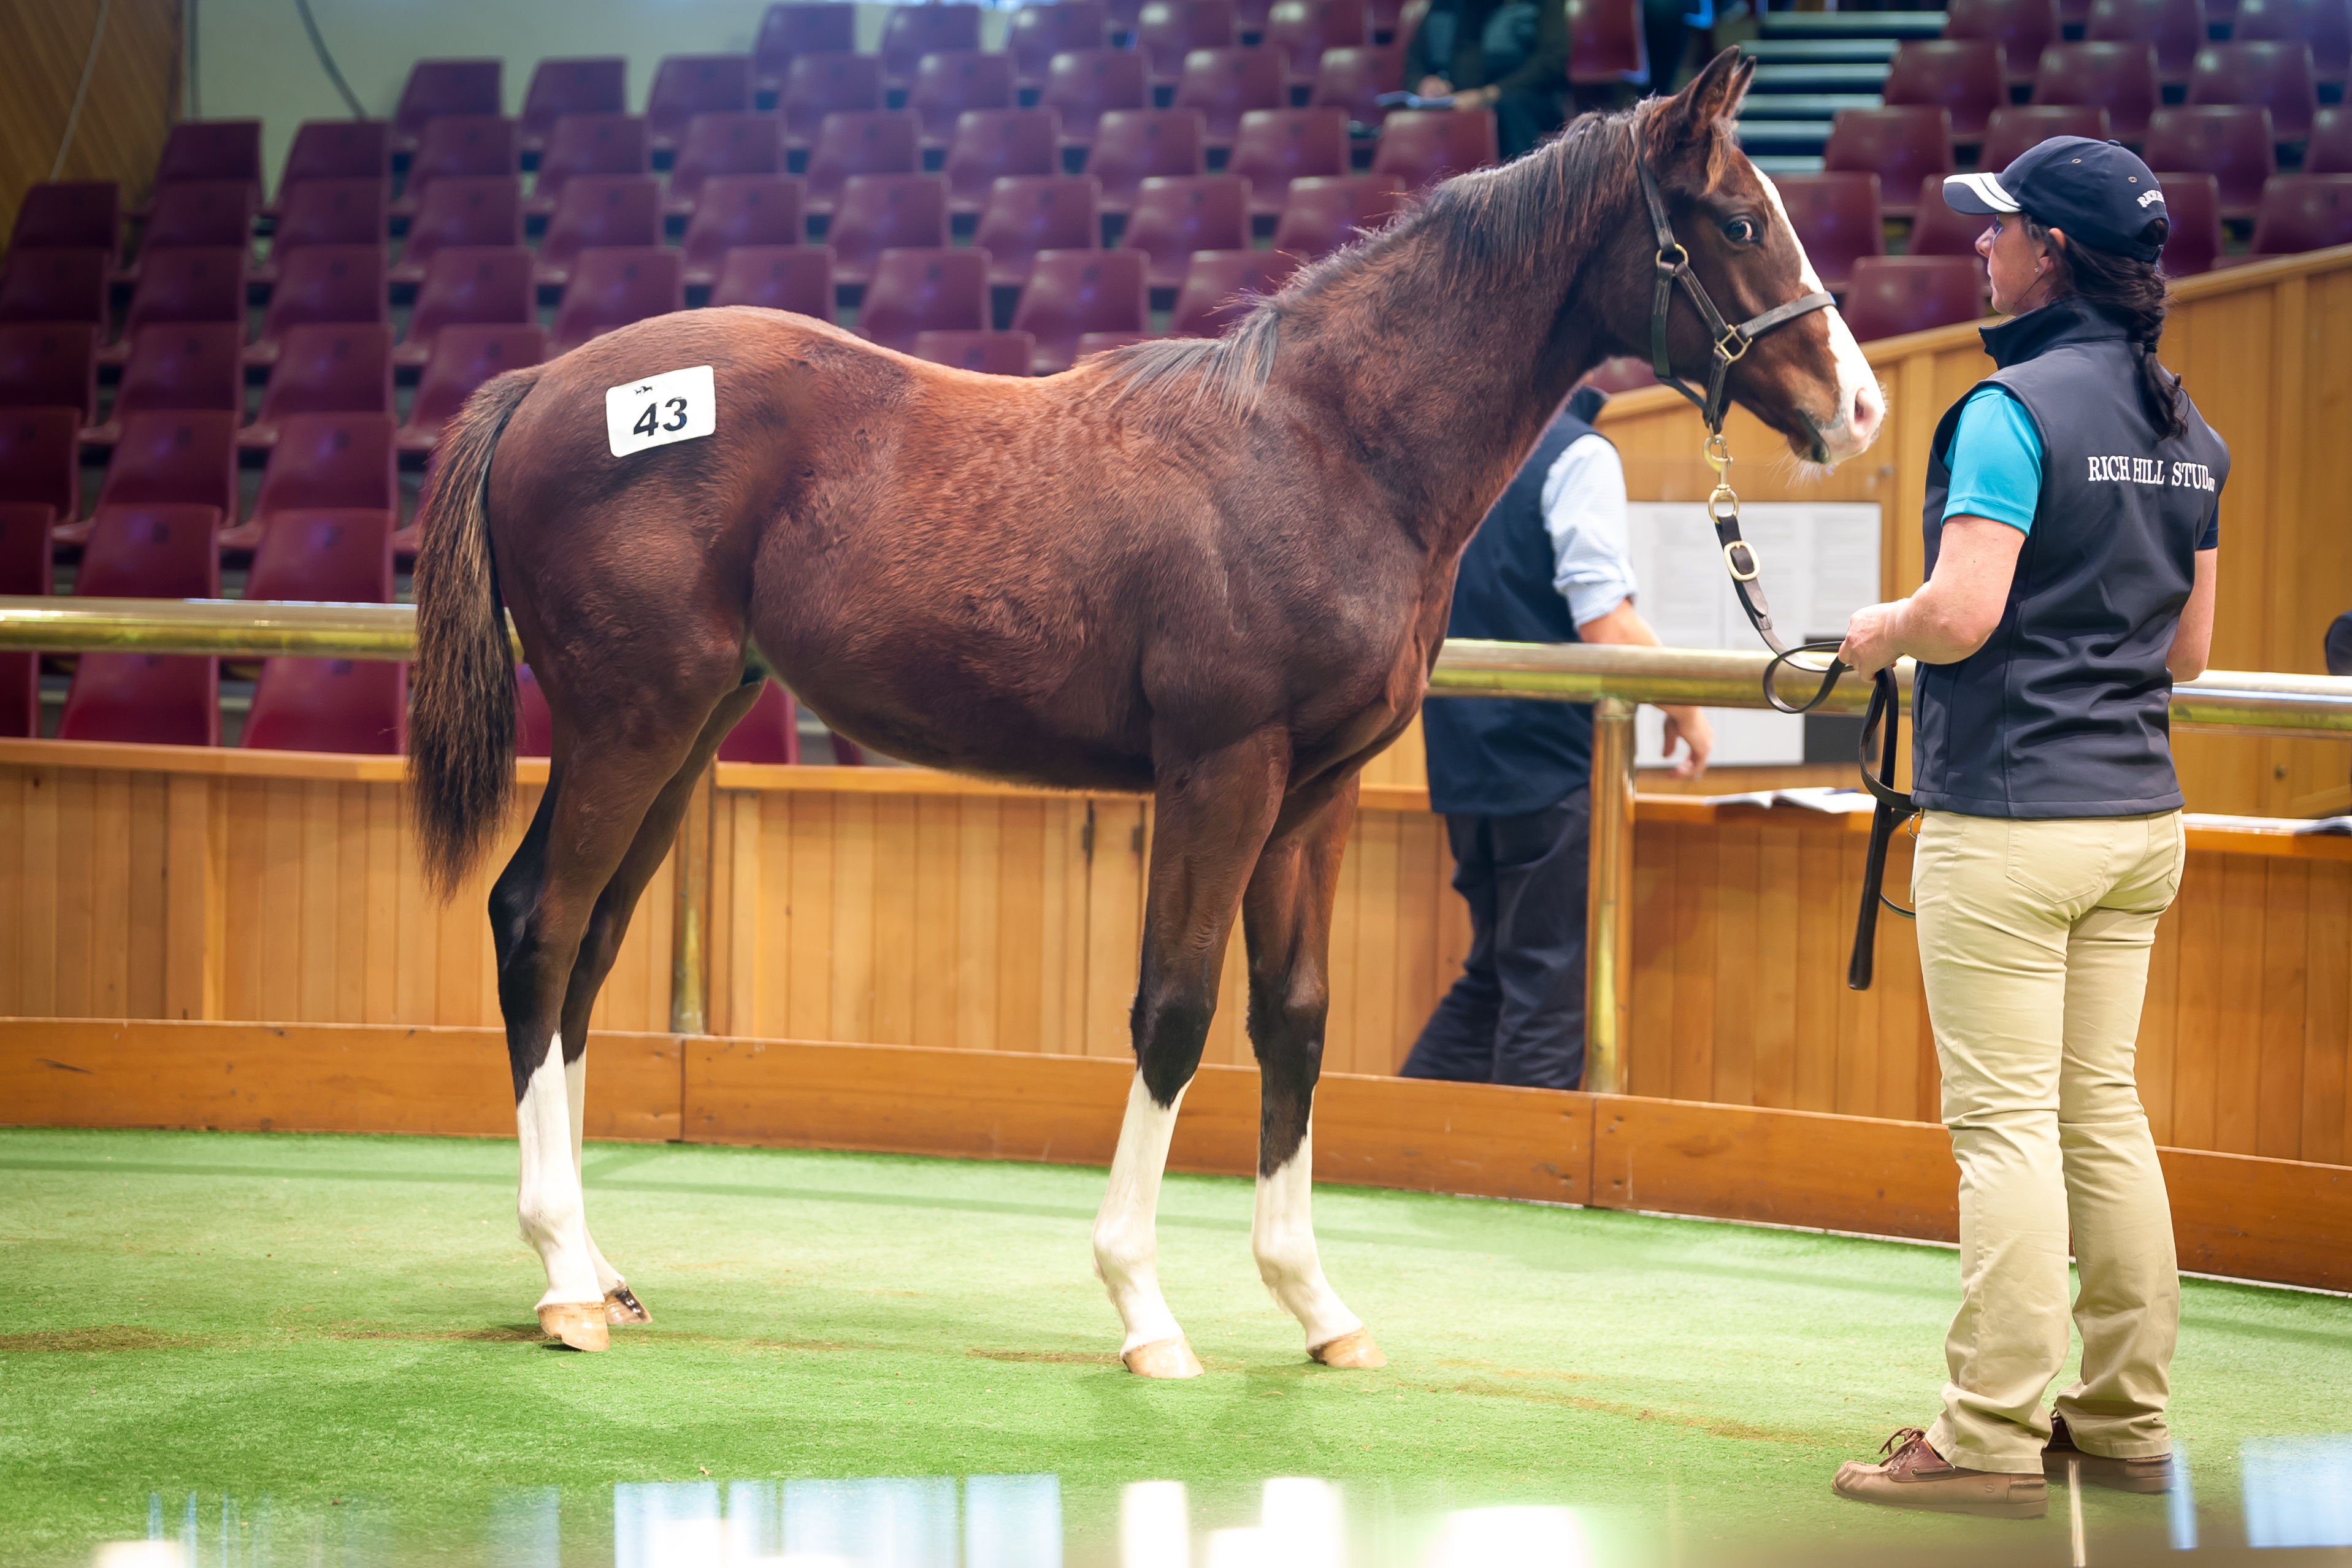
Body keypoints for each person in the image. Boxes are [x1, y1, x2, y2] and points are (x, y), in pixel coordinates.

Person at [1828, 138, 2228, 1520]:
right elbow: (2190, 649)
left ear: (2049, 249)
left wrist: (1881, 631)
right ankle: (2121, 1419)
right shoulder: (2190, 429)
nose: (1980, 246)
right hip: (2138, 818)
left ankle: (1986, 1434)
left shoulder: (2007, 411)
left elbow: (1962, 612)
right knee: (2101, 1116)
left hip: (2010, 819)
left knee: (2004, 1133)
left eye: (1998, 227)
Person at [1401, 384, 1712, 1092]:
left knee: (1493, 977)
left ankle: (1392, 1157)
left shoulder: (1463, 442)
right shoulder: (1578, 453)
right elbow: (1604, 620)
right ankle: (1523, 1187)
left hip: (1461, 763)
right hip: (1549, 765)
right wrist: (1687, 705)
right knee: (1546, 993)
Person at [1403, 0, 1570, 159]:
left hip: (1522, 97)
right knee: (1408, 120)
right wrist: (1423, 83)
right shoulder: (1443, 5)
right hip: (1454, 99)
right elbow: (1414, 64)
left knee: (1511, 106)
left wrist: (1487, 94)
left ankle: (1524, 185)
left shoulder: (1538, 4)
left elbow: (1551, 62)